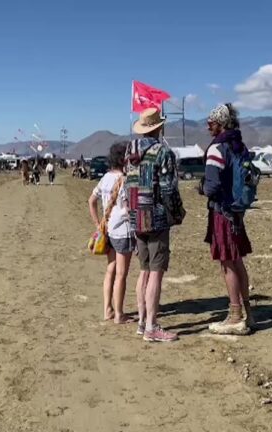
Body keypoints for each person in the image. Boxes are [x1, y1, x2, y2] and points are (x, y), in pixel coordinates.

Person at [126, 108, 181, 342]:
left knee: (144, 271)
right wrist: (177, 213)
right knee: (156, 273)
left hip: (135, 217)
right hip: (156, 217)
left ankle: (141, 321)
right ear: (158, 128)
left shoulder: (131, 151)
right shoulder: (163, 152)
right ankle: (151, 327)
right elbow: (168, 189)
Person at [202, 103, 254, 335]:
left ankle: (235, 315)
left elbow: (212, 186)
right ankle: (249, 313)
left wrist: (202, 188)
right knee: (238, 260)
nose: (207, 126)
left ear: (220, 124)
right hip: (236, 211)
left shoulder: (217, 149)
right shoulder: (238, 145)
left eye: (211, 122)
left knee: (227, 261)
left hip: (222, 211)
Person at [88, 142, 136, 324]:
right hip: (123, 230)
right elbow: (130, 207)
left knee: (111, 270)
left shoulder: (105, 178)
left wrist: (97, 223)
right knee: (121, 274)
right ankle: (119, 314)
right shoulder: (126, 179)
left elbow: (91, 201)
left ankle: (107, 309)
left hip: (107, 228)